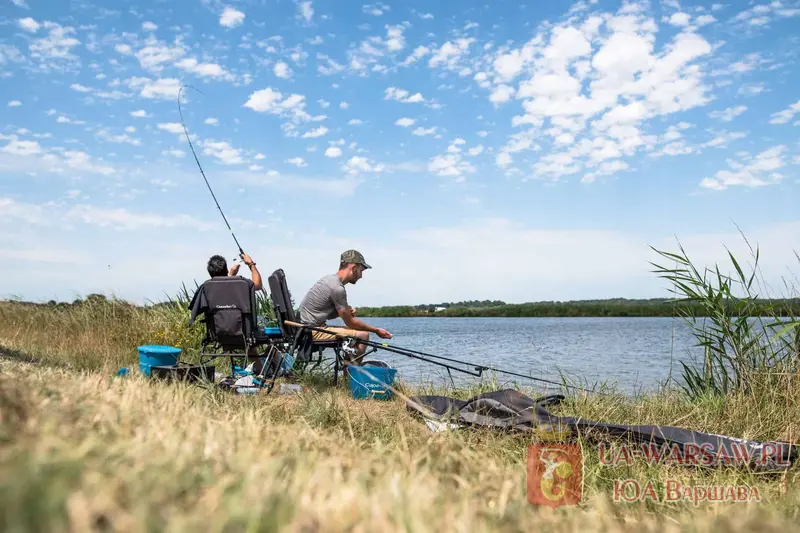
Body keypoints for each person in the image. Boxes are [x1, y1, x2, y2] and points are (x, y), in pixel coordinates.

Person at [298, 249, 392, 369]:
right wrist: (376, 330)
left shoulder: (329, 280)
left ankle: (348, 374)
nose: (361, 276)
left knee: (355, 334)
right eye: (361, 270)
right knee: (363, 335)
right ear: (353, 267)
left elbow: (322, 312)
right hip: (310, 331)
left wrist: (343, 312)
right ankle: (350, 379)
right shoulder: (337, 288)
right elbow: (350, 322)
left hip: (306, 327)